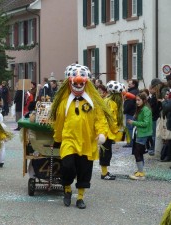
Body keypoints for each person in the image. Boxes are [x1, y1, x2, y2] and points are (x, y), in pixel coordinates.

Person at [50, 64, 112, 209]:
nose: (78, 86)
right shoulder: (63, 103)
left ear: (85, 83)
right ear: (70, 83)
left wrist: (102, 133)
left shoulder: (94, 103)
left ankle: (80, 197)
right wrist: (57, 139)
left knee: (84, 170)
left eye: (80, 83)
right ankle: (67, 189)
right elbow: (59, 123)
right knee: (67, 166)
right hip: (69, 140)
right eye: (75, 83)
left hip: (86, 142)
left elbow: (100, 120)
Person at [99, 81, 125, 180]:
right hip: (107, 132)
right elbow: (112, 119)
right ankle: (104, 173)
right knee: (106, 153)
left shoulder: (107, 101)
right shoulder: (111, 103)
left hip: (106, 132)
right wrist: (116, 130)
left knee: (105, 152)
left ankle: (105, 171)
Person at [127, 93, 152, 180]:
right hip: (139, 133)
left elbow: (145, 123)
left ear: (144, 100)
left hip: (143, 134)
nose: (137, 102)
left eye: (139, 100)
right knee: (138, 152)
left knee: (138, 153)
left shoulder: (146, 110)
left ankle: (141, 173)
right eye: (136, 100)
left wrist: (133, 122)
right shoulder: (141, 109)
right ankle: (140, 170)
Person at [123, 79, 139, 147]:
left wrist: (125, 110)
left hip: (130, 112)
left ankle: (130, 142)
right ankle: (132, 142)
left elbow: (130, 103)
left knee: (129, 128)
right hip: (133, 112)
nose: (128, 85)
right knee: (132, 127)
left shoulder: (132, 92)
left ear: (134, 84)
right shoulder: (135, 91)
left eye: (130, 84)